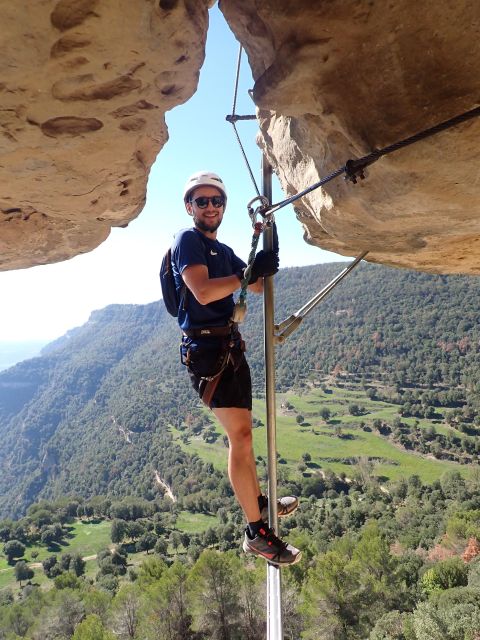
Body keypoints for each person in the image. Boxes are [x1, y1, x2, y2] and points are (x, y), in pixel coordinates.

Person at [169, 171, 302, 566]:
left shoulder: (223, 250)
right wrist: (248, 272)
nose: (210, 207)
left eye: (216, 201)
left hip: (227, 347)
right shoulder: (187, 241)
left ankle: (256, 503)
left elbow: (256, 287)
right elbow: (205, 290)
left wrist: (261, 265)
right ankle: (255, 532)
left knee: (244, 435)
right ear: (189, 206)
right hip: (208, 353)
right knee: (240, 437)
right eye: (202, 201)